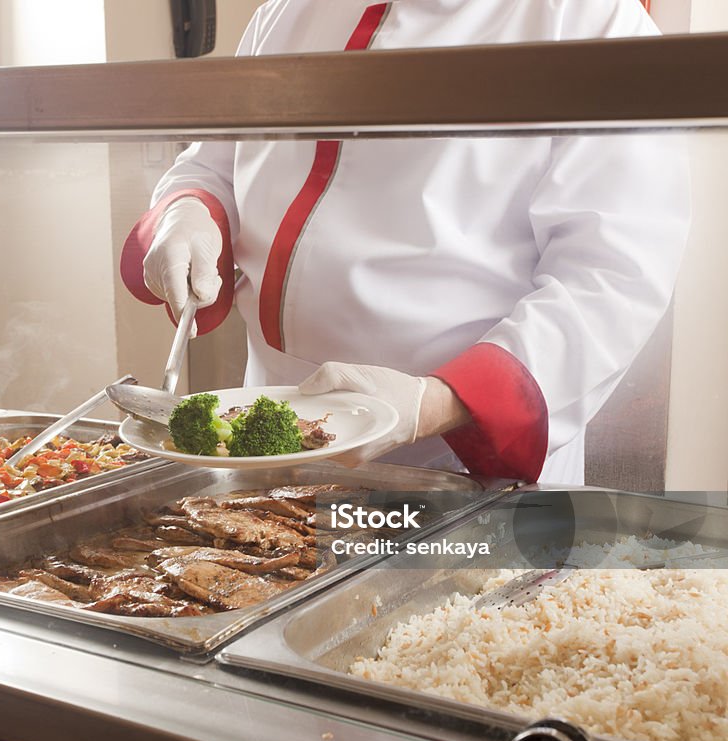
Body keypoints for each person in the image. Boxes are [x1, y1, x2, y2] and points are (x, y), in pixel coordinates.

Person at [120, 0, 690, 484]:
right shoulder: (290, 8)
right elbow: (216, 161)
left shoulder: (586, 20)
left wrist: (434, 403)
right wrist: (188, 211)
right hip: (271, 415)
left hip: (456, 447)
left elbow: (611, 280)